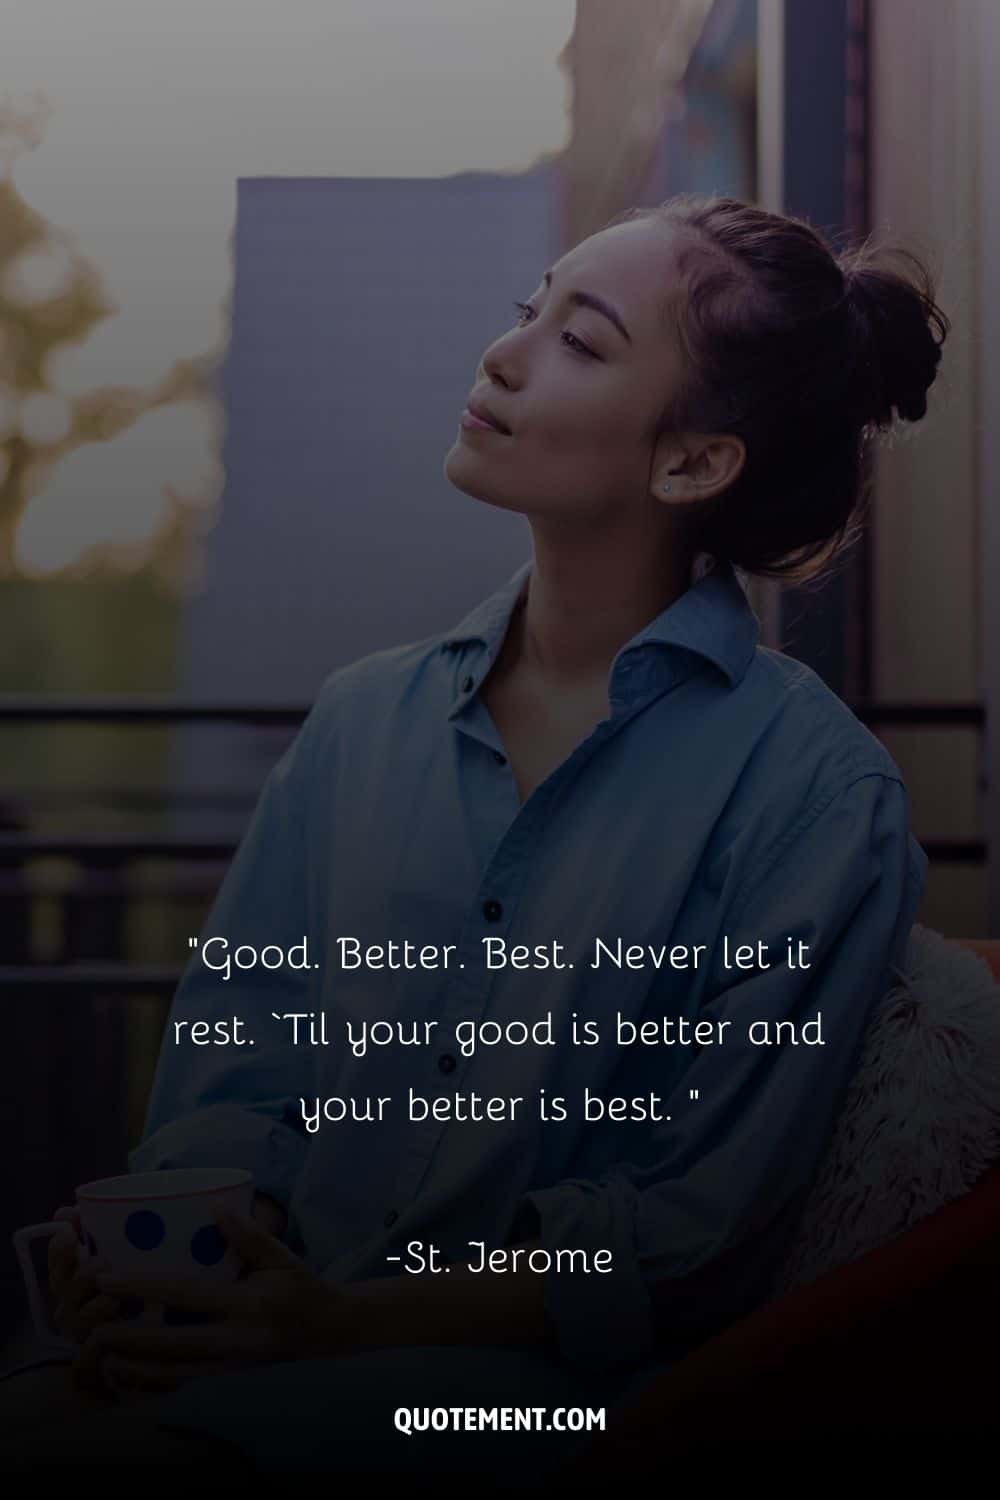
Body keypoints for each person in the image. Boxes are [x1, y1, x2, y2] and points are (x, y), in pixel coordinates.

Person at [7, 194, 948, 1470]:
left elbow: (689, 1235)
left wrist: (335, 1326)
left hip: (548, 1408)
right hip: (274, 1339)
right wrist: (164, 1255)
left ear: (690, 463)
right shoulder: (361, 722)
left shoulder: (816, 796)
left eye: (584, 339)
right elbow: (232, 1072)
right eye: (527, 310)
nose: (502, 355)